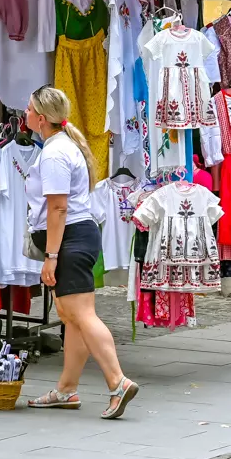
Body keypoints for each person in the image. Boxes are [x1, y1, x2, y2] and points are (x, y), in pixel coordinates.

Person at [23, 86, 139, 419]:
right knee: (72, 316)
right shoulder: (62, 146)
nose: (25, 114)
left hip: (69, 239)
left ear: (41, 119)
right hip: (78, 236)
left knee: (82, 316)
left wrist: (52, 256)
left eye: (29, 110)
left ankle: (117, 382)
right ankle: (67, 388)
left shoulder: (55, 153)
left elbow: (58, 208)